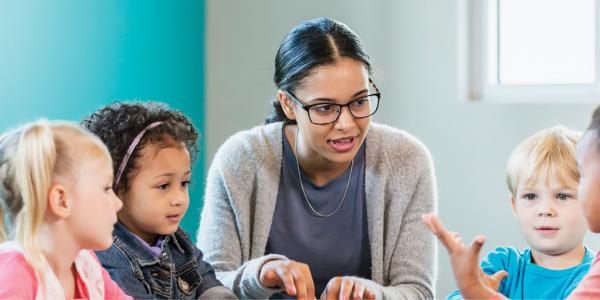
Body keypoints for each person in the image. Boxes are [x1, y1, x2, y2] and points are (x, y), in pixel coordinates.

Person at [198, 17, 437, 299]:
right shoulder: (241, 160)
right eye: (325, 108)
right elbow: (206, 286)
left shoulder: (405, 160)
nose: (347, 124)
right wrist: (260, 274)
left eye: (359, 101)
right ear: (288, 104)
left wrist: (373, 294)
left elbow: (418, 291)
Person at [85, 102, 237, 299]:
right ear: (117, 186)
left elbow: (206, 281)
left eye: (184, 183)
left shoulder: (178, 242)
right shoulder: (109, 256)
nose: (179, 199)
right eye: (164, 186)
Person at [444, 126, 593, 299]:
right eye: (530, 196)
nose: (545, 210)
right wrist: (472, 290)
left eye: (562, 196)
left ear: (589, 202)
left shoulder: (593, 275)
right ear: (514, 205)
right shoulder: (503, 263)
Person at [0, 120, 130, 299]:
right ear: (61, 201)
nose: (118, 204)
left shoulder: (86, 267)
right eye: (106, 188)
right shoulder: (15, 274)